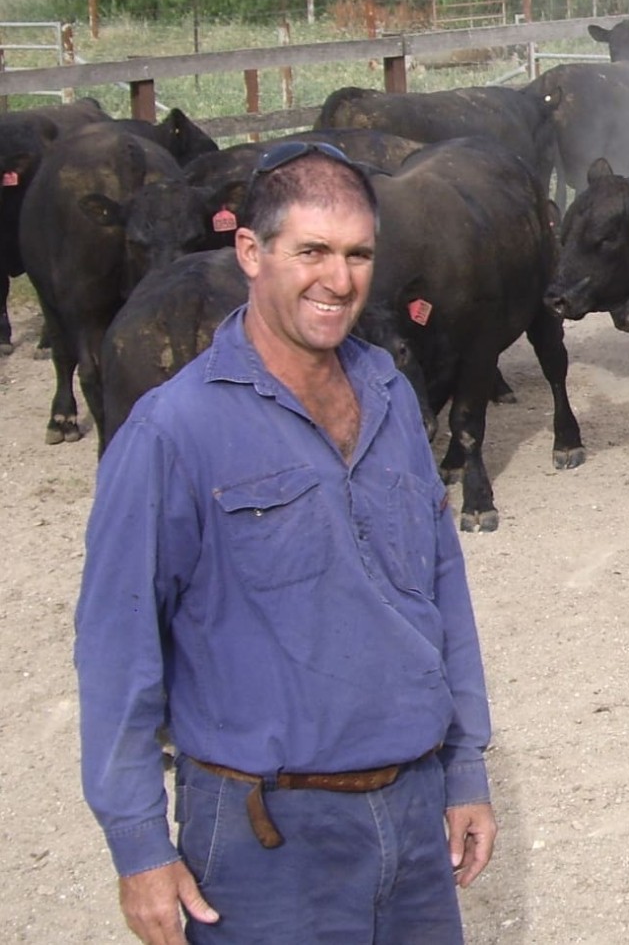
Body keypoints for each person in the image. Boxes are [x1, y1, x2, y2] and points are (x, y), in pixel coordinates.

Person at [74, 141, 496, 945]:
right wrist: (139, 848)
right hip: (263, 836)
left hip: (411, 817)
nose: (338, 280)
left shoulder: (391, 395)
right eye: (311, 252)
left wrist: (464, 765)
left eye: (358, 254)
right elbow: (116, 648)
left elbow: (443, 588)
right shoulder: (174, 431)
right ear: (250, 252)